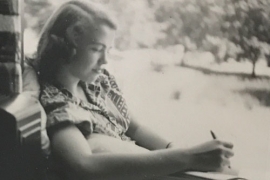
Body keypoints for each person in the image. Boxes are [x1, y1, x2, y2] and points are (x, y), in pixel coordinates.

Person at [33, 0, 234, 179]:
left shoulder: (99, 83)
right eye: (96, 49)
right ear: (66, 46)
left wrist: (178, 151)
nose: (105, 60)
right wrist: (189, 158)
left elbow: (134, 127)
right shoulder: (58, 103)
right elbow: (84, 164)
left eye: (108, 50)